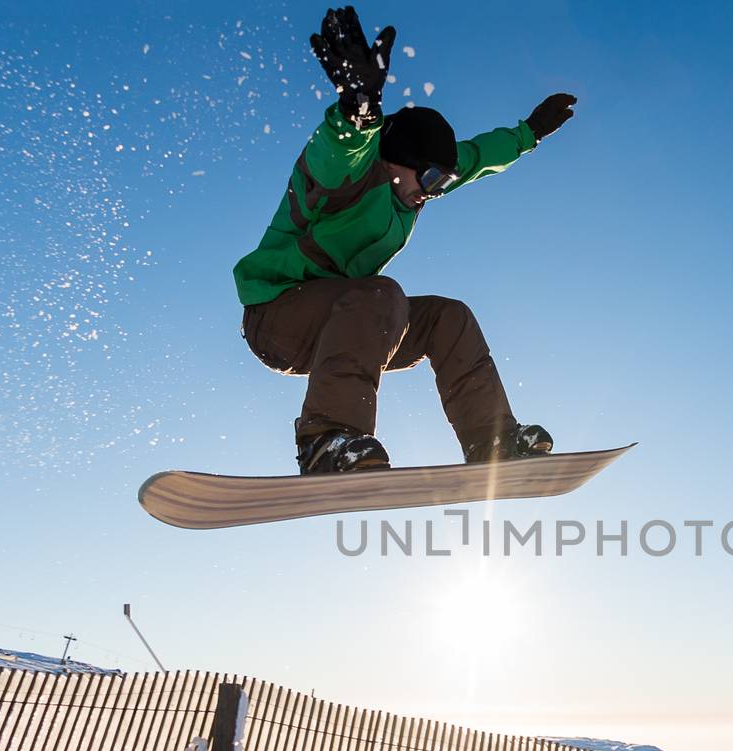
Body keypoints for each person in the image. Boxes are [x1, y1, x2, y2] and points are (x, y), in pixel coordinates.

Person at [233, 6, 577, 474]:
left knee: (447, 317)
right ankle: (327, 440)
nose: (432, 192)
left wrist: (529, 133)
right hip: (276, 317)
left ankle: (490, 441)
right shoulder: (348, 171)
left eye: (443, 182)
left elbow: (476, 158)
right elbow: (342, 143)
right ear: (397, 158)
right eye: (431, 178)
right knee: (381, 293)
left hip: (344, 323)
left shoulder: (413, 190)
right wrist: (359, 109)